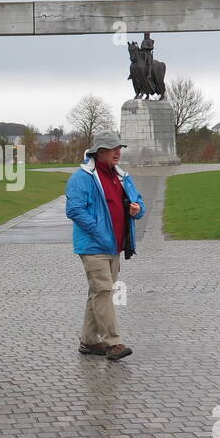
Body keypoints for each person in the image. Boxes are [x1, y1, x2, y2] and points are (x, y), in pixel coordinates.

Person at [64, 130, 147, 361]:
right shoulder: (82, 178)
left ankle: (89, 341)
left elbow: (139, 201)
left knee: (98, 292)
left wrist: (137, 209)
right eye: (113, 149)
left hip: (115, 247)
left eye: (119, 148)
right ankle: (113, 342)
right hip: (93, 247)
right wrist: (100, 231)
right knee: (103, 291)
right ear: (100, 152)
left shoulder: (120, 176)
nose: (118, 152)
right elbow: (74, 210)